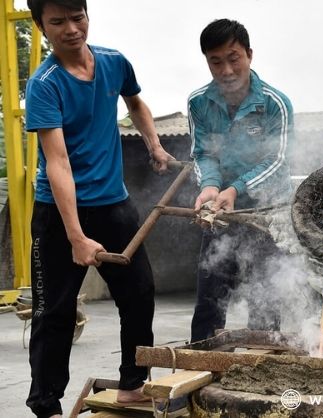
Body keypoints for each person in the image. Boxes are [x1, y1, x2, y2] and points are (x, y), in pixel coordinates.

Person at [23, 0, 174, 416]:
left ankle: (132, 384)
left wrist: (154, 144)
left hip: (115, 204)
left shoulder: (113, 62)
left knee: (140, 295)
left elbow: (136, 103)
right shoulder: (44, 84)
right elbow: (58, 162)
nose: (71, 29)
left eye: (77, 17)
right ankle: (46, 405)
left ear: (87, 16)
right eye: (57, 22)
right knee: (54, 311)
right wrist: (75, 235)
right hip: (59, 213)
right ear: (41, 26)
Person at [188, 19, 294, 342]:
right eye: (215, 61)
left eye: (233, 58)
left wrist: (235, 189)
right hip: (221, 214)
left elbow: (277, 161)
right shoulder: (199, 103)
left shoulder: (275, 104)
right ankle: (198, 372)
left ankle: (261, 377)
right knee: (208, 297)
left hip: (268, 215)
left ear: (249, 54)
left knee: (265, 301)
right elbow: (204, 154)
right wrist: (209, 185)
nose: (226, 70)